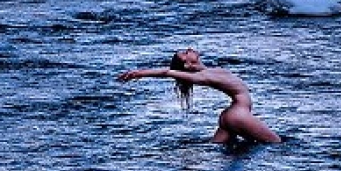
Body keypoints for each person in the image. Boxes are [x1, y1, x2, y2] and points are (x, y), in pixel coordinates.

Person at [118, 48, 282, 145]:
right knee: (276, 144)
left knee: (218, 150)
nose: (189, 49)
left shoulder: (207, 71)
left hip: (229, 116)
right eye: (185, 53)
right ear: (187, 65)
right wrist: (139, 73)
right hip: (238, 114)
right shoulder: (201, 76)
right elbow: (167, 72)